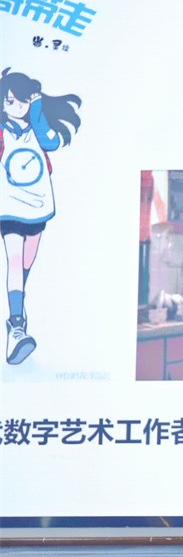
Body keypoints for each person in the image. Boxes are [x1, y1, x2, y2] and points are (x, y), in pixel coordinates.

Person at [1, 69, 82, 364]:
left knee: (24, 266)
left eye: (22, 101)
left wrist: (37, 113)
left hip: (37, 206)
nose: (16, 106)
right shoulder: (1, 130)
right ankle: (16, 328)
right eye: (10, 101)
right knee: (13, 262)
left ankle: (16, 313)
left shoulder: (37, 126)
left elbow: (51, 143)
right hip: (8, 205)